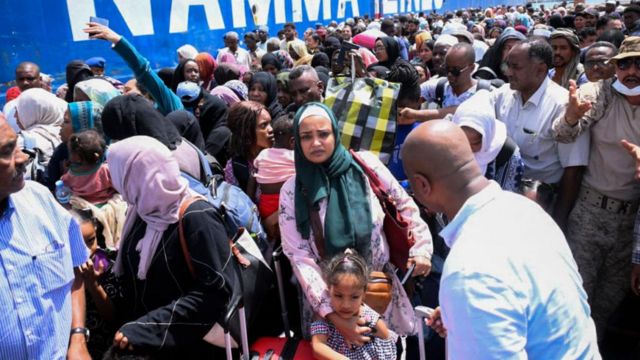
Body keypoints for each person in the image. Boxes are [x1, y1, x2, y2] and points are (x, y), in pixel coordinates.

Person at [401, 119, 600, 359]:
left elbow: (483, 282)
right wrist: (465, 315)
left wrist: (468, 302)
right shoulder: (526, 211)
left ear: (422, 185)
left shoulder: (469, 272)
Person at [279, 102, 433, 341]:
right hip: (330, 304)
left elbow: (403, 205)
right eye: (306, 137)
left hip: (380, 295)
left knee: (386, 351)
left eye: (323, 134)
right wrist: (336, 317)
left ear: (335, 133)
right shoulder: (292, 191)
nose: (316, 143)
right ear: (297, 142)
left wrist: (422, 248)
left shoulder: (365, 166)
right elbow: (299, 257)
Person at [105, 136, 239, 358]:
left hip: (191, 346)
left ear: (133, 176)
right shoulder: (140, 210)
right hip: (146, 339)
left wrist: (148, 328)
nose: (110, 177)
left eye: (115, 170)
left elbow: (216, 291)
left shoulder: (198, 217)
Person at [552, 36, 640, 340]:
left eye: (639, 63)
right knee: (576, 296)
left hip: (630, 223)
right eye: (624, 63)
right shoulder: (598, 93)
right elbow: (563, 134)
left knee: (607, 303)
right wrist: (570, 117)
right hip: (590, 213)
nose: (632, 71)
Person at [0, 113, 90, 359]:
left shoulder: (40, 199)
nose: (23, 158)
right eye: (7, 151)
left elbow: (75, 273)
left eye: (17, 145)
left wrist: (78, 337)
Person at [491, 39, 589, 230]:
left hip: (542, 204)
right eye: (507, 66)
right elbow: (472, 108)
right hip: (503, 199)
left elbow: (573, 171)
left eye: (515, 67)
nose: (508, 72)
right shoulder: (504, 94)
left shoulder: (563, 106)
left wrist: (557, 223)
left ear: (540, 69)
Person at [310, 250, 397, 360]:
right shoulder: (324, 317)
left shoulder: (369, 318)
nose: (346, 305)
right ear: (329, 291)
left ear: (363, 294)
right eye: (338, 296)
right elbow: (318, 347)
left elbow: (387, 341)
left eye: (354, 297)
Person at [84, 22, 183, 116]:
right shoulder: (132, 122)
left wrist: (118, 40)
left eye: (127, 90)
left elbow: (143, 70)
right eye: (122, 92)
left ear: (146, 94)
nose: (123, 95)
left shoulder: (171, 108)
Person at [451, 90, 524, 192]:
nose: (469, 148)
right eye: (463, 140)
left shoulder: (508, 153)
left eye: (475, 143)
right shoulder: (449, 144)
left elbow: (506, 196)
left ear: (488, 136)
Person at [224, 101, 274, 201]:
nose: (271, 129)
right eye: (263, 126)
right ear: (246, 132)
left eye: (270, 123)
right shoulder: (235, 167)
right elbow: (237, 207)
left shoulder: (281, 157)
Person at [15, 88, 67, 166]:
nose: (15, 115)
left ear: (30, 111)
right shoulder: (66, 133)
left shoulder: (22, 141)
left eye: (18, 110)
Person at [61, 130, 115, 205]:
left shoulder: (71, 174)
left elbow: (63, 186)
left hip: (83, 206)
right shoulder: (105, 169)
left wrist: (65, 170)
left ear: (76, 157)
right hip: (105, 204)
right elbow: (117, 185)